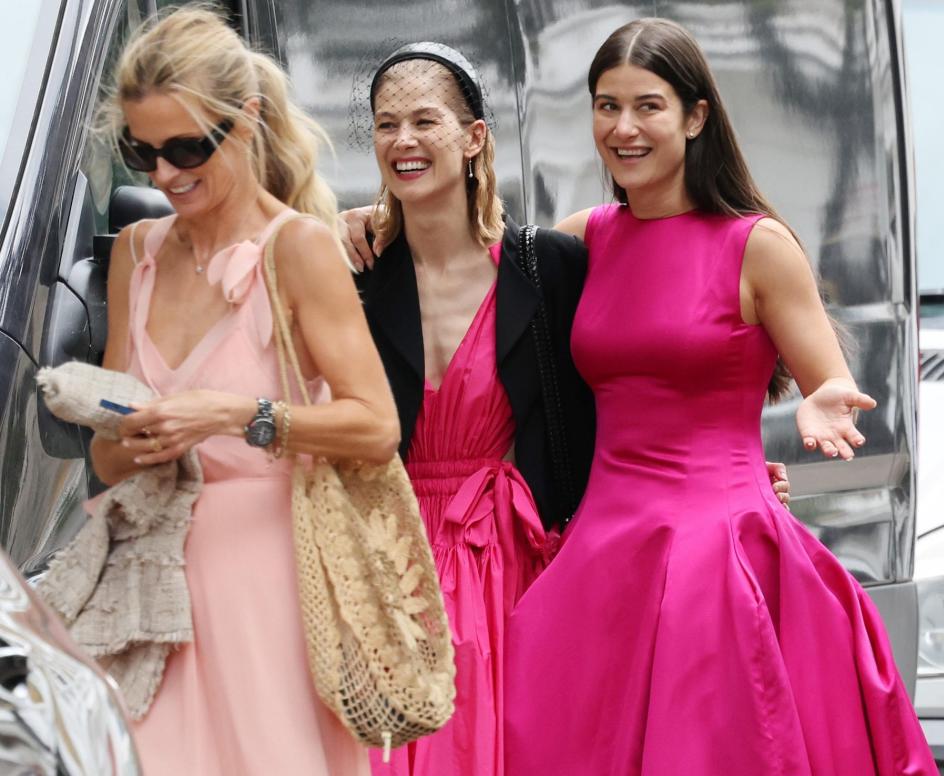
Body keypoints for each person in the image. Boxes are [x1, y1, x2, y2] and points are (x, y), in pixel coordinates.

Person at [503, 18, 939, 775]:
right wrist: (365, 225)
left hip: (717, 549)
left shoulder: (756, 244)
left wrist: (819, 402)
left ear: (696, 116)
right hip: (602, 551)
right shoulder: (583, 240)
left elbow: (830, 378)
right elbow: (466, 277)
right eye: (607, 106)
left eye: (648, 106)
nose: (624, 127)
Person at [344, 42, 794, 776]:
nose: (403, 141)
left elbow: (634, 357)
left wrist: (721, 462)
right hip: (387, 553)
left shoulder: (548, 264)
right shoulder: (351, 275)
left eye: (425, 120)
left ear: (474, 139)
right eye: (386, 125)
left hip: (514, 560)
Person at [91, 8, 396, 775]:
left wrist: (236, 416)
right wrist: (127, 437)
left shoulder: (297, 248)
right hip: (146, 597)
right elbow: (103, 461)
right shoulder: (138, 252)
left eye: (189, 147)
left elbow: (375, 426)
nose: (164, 174)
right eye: (143, 152)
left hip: (265, 592)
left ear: (247, 118)